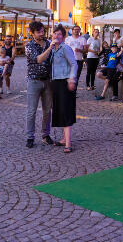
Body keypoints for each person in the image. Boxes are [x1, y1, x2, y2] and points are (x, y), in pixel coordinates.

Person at [38, 25, 77, 153]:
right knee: (60, 111)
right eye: (54, 34)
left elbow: (74, 64)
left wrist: (72, 79)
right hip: (56, 82)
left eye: (59, 34)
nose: (56, 36)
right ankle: (64, 139)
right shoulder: (53, 49)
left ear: (63, 37)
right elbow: (41, 60)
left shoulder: (65, 48)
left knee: (66, 112)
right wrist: (50, 47)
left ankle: (68, 143)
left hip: (65, 82)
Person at [24, 21, 55, 148]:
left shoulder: (48, 42)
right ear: (32, 33)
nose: (41, 34)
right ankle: (30, 137)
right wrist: (50, 48)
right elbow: (39, 59)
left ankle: (45, 135)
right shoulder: (29, 45)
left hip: (47, 80)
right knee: (31, 111)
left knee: (48, 110)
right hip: (34, 81)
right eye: (39, 32)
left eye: (43, 31)